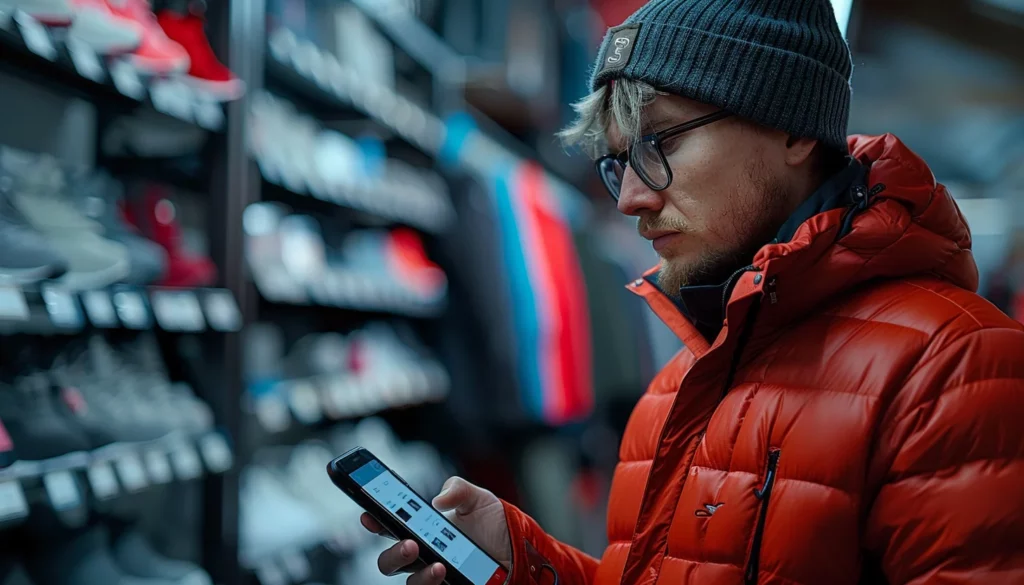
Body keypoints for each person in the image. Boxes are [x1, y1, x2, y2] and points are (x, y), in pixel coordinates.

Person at [362, 0, 1024, 583]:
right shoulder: (681, 381)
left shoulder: (958, 368)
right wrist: (523, 561)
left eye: (659, 142)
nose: (628, 198)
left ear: (791, 126)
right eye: (618, 160)